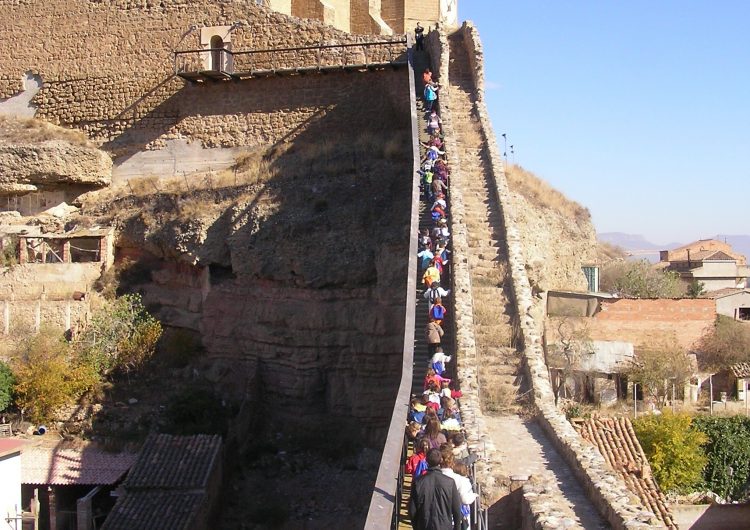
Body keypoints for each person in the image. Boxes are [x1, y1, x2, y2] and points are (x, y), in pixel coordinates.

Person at [408, 448, 463, 530]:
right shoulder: (450, 482)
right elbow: (456, 510)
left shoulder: (418, 482)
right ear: (441, 460)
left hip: (424, 525)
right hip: (444, 526)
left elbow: (412, 509)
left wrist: (416, 526)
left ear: (426, 460)